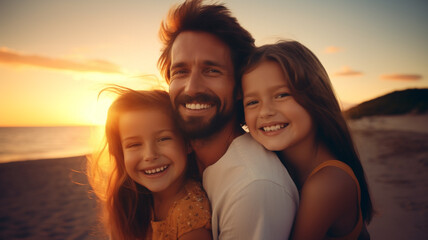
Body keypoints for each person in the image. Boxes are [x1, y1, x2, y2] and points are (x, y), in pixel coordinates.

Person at [158, 1, 299, 239]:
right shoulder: (185, 161)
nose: (192, 88)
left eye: (212, 70)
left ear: (239, 88)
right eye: (180, 71)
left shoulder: (253, 187)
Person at [241, 40, 374, 239]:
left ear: (315, 96)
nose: (266, 112)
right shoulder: (276, 165)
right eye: (252, 102)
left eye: (281, 95)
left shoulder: (327, 184)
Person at [87, 88, 212, 240]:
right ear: (121, 153)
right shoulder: (134, 201)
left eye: (163, 139)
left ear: (187, 143)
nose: (150, 155)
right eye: (134, 144)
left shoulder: (190, 215)